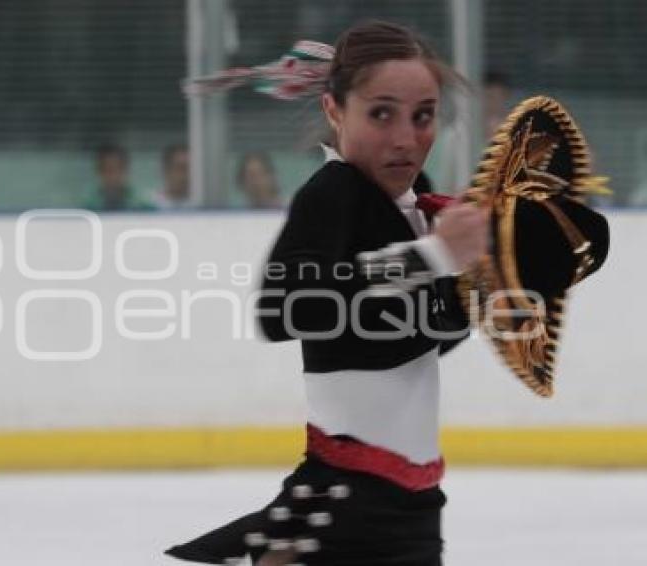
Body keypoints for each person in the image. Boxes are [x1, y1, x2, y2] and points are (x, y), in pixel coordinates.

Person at [167, 21, 488, 565]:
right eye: (381, 113)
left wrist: (481, 283)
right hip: (345, 501)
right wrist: (431, 258)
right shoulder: (333, 192)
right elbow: (284, 306)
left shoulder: (417, 207)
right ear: (334, 110)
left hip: (409, 506)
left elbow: (419, 339)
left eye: (424, 116)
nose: (406, 139)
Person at [82, 144, 149, 211]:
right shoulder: (88, 210)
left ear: (126, 170)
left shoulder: (141, 207)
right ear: (99, 171)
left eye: (117, 168)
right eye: (107, 169)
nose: (112, 175)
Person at [151, 144, 193, 210]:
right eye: (181, 168)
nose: (186, 175)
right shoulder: (150, 206)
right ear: (166, 170)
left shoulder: (199, 204)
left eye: (190, 169)